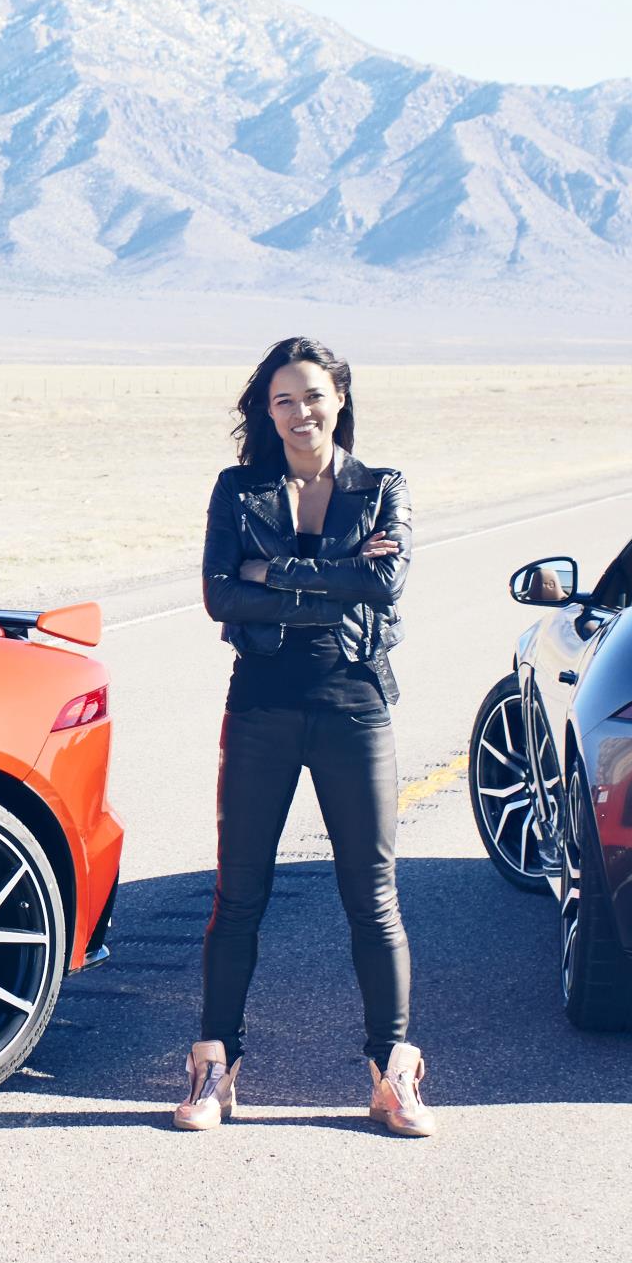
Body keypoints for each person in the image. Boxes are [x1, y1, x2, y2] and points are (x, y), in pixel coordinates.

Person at [176, 334, 429, 1137]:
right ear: (267, 410)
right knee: (238, 895)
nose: (299, 412)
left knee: (373, 897)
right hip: (261, 709)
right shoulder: (237, 488)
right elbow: (220, 597)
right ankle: (214, 1070)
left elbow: (383, 583)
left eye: (312, 395)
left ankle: (394, 1076)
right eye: (283, 399)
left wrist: (272, 573)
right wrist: (332, 578)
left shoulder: (382, 487)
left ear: (341, 398)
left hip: (355, 705)